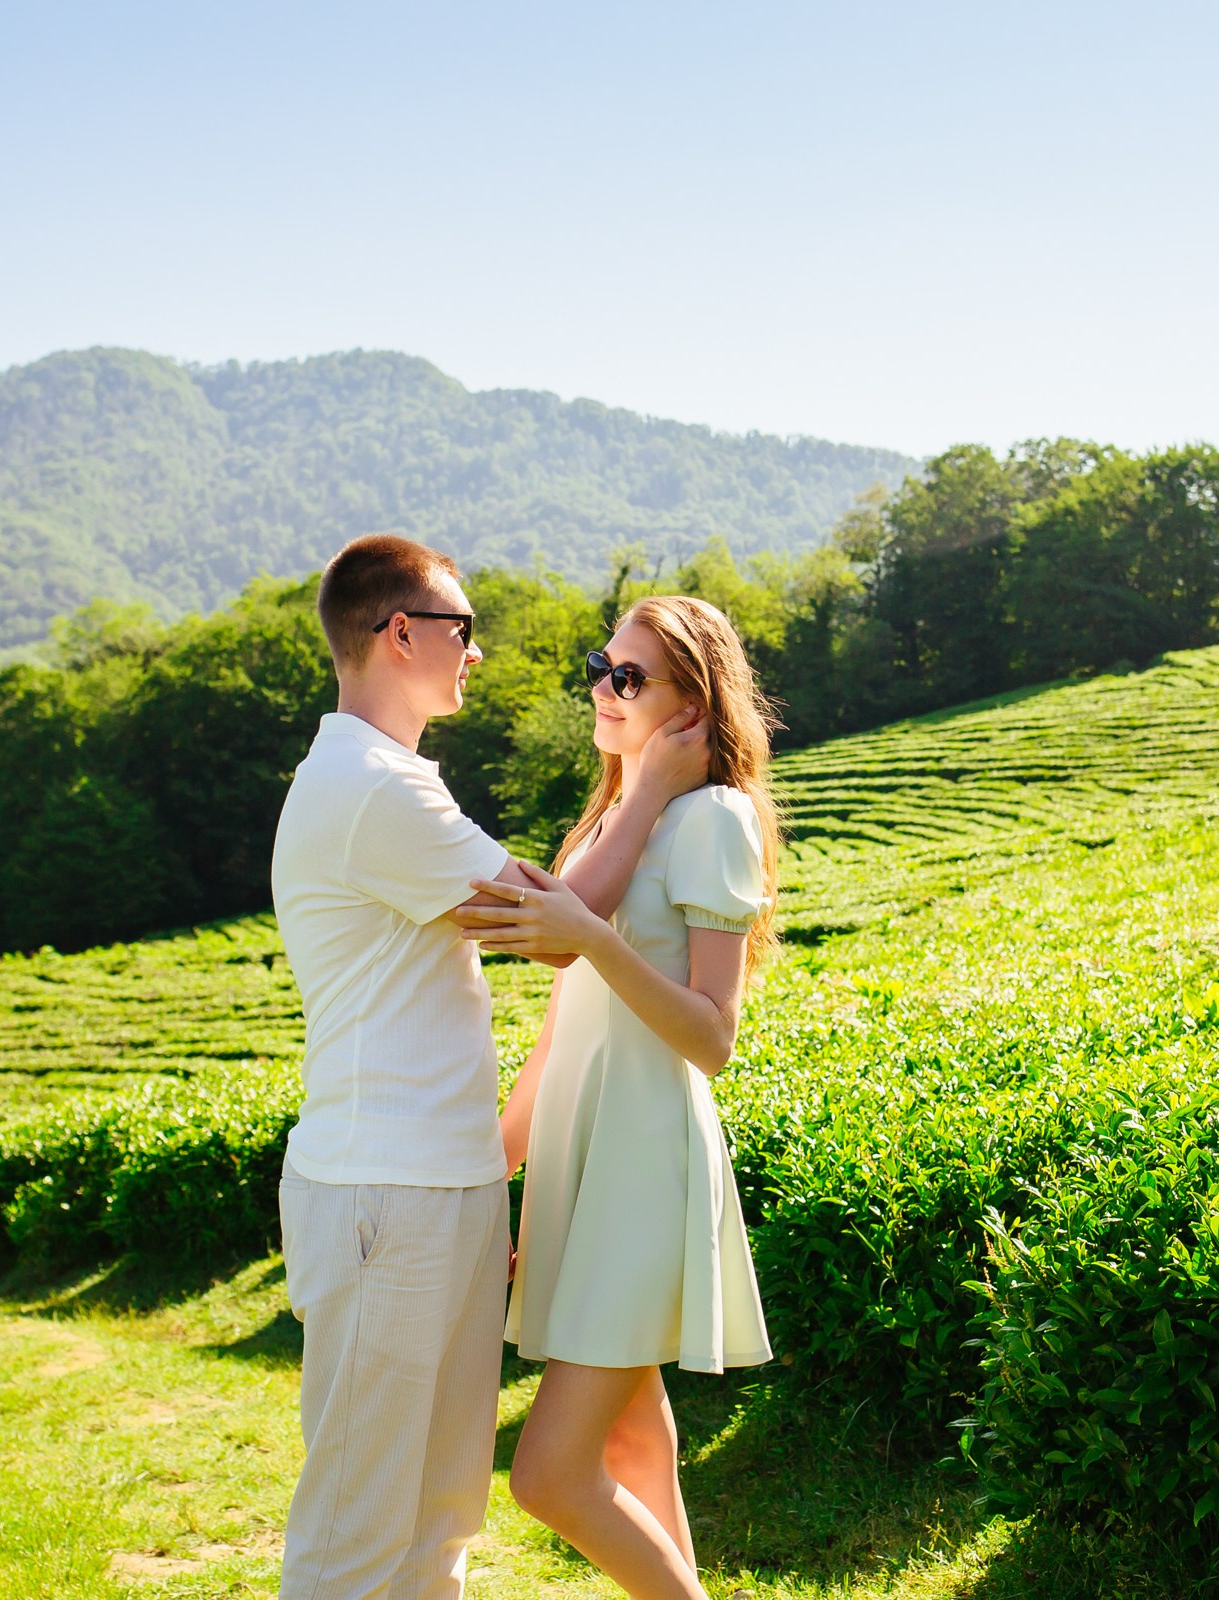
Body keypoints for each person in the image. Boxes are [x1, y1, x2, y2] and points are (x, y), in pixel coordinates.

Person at [269, 535, 711, 1600]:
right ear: (402, 632)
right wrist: (647, 790)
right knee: (358, 1526)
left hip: (435, 1185)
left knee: (435, 1521)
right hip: (388, 1193)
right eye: (462, 629)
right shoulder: (375, 789)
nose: (475, 651)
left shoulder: (389, 780)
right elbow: (554, 928)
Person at [453, 595, 780, 1600]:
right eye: (603, 665)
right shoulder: (609, 821)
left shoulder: (711, 818)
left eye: (630, 677)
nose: (603, 686)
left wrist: (597, 938)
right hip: (582, 1164)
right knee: (635, 1447)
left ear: (693, 705)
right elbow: (560, 1032)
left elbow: (711, 1037)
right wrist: (479, 1173)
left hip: (641, 1167)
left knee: (549, 1475)